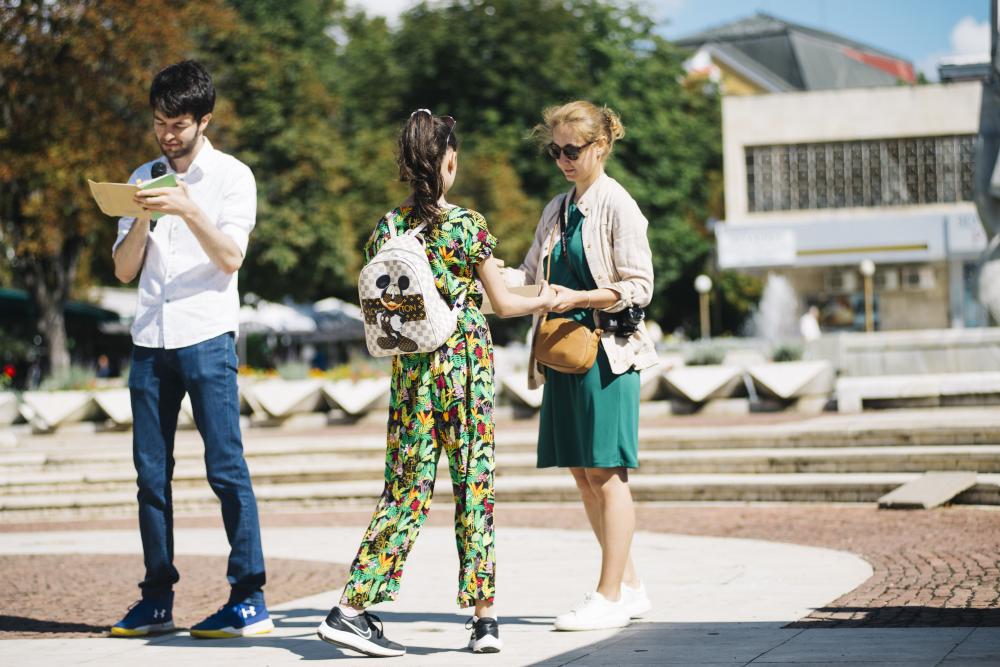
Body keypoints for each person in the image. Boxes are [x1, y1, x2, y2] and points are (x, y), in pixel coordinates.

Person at [315, 109, 554, 658]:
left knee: (406, 489)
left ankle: (352, 607)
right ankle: (484, 620)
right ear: (448, 161)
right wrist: (546, 296)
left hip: (413, 374)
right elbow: (504, 304)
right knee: (474, 487)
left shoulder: (388, 227)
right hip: (465, 368)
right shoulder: (468, 225)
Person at [109, 60, 270, 639]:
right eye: (159, 123)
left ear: (205, 120)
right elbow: (123, 271)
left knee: (226, 469)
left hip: (206, 336)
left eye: (177, 125)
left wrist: (188, 209)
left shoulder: (233, 177)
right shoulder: (141, 175)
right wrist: (141, 219)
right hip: (149, 341)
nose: (167, 135)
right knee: (150, 477)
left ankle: (249, 598)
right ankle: (156, 600)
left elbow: (230, 258)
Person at [515, 101, 658, 631]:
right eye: (555, 151)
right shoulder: (557, 208)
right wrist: (481, 278)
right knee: (582, 473)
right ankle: (631, 587)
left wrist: (579, 297)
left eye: (572, 150)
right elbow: (530, 273)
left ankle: (609, 594)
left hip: (607, 354)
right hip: (564, 355)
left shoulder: (619, 204)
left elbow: (640, 286)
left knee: (606, 472)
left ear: (600, 147)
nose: (563, 160)